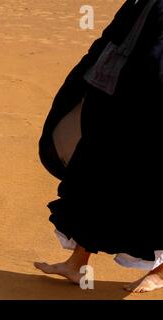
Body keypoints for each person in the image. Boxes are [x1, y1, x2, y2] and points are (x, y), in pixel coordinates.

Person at [36, 0, 163, 293]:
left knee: (151, 188)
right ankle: (77, 263)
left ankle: (159, 273)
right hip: (112, 97)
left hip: (149, 111)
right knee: (93, 176)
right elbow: (112, 36)